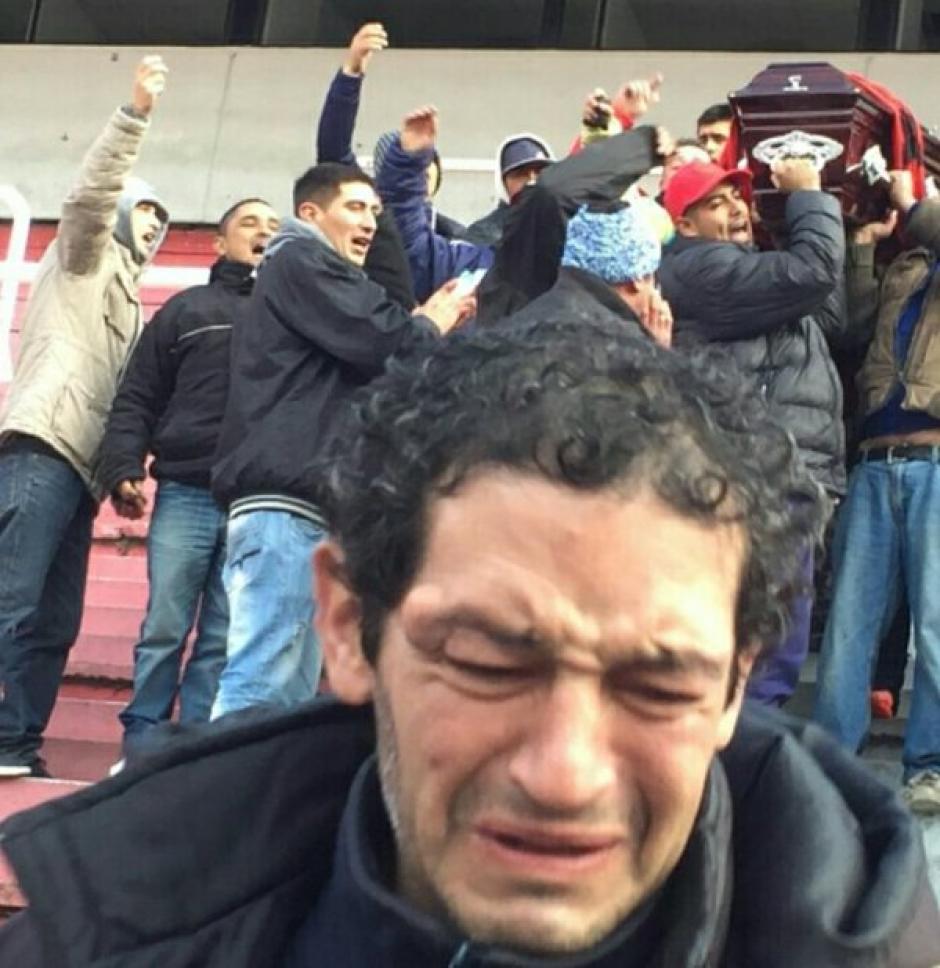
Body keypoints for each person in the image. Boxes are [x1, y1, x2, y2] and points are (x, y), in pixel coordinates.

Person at [2, 320, 938, 967]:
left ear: (738, 685)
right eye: (490, 662)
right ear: (346, 627)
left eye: (660, 684)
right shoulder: (87, 940)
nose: (564, 774)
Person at [209, 162, 471, 719]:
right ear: (309, 213)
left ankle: (253, 803)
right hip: (284, 508)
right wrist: (430, 323)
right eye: (355, 207)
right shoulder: (300, 258)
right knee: (260, 685)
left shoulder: (310, 278)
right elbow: (386, 341)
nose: (370, 222)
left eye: (375, 211)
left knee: (286, 697)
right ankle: (224, 803)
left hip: (306, 509)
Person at [0, 56, 169, 778]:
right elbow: (90, 198)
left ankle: (13, 744)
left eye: (164, 220)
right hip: (40, 448)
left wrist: (119, 472)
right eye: (148, 214)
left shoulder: (130, 301)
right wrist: (133, 116)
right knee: (12, 599)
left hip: (80, 470)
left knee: (55, 620)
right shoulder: (82, 262)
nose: (156, 228)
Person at [660, 158, 848, 706]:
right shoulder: (700, 269)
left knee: (775, 646)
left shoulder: (753, 272)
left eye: (739, 199)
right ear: (685, 225)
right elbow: (814, 272)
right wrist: (809, 196)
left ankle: (743, 768)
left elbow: (829, 311)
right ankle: (739, 773)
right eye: (716, 203)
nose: (737, 209)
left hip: (783, 479)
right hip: (756, 480)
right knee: (759, 652)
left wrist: (795, 220)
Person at [96, 198, 279, 757]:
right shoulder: (185, 310)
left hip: (253, 499)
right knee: (164, 627)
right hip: (184, 492)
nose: (263, 233)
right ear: (218, 243)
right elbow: (138, 396)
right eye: (249, 223)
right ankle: (143, 743)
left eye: (274, 226)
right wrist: (123, 466)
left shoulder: (291, 318)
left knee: (222, 637)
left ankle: (191, 750)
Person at [814, 171, 940, 813]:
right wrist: (865, 244)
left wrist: (912, 201)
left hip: (935, 458)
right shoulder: (908, 262)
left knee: (938, 622)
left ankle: (931, 765)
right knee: (849, 622)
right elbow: (852, 327)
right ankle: (832, 760)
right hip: (875, 456)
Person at [508, 201, 673, 347]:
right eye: (652, 279)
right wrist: (658, 350)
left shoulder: (519, 323)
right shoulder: (625, 345)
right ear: (637, 280)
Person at [375, 106, 494, 302]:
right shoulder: (468, 258)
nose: (529, 181)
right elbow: (408, 240)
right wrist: (407, 163)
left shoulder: (453, 232)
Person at [464, 132, 555, 247]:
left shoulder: (572, 227)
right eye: (520, 174)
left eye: (540, 171)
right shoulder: (482, 235)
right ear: (503, 184)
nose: (532, 180)